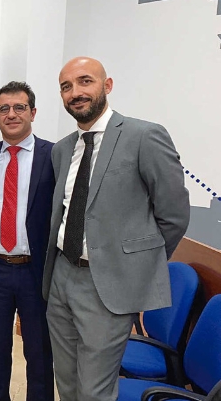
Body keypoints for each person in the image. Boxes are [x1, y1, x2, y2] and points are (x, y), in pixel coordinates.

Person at [43, 57, 190, 401]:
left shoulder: (144, 136)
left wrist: (134, 267)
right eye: (66, 87)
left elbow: (174, 215)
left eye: (85, 82)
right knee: (66, 381)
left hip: (107, 286)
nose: (75, 93)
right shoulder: (63, 149)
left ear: (107, 86)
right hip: (62, 277)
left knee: (95, 390)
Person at [0, 81, 54, 401]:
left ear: (33, 113)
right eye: (4, 109)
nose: (11, 114)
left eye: (19, 107)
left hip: (35, 271)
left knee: (38, 356)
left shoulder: (54, 155)